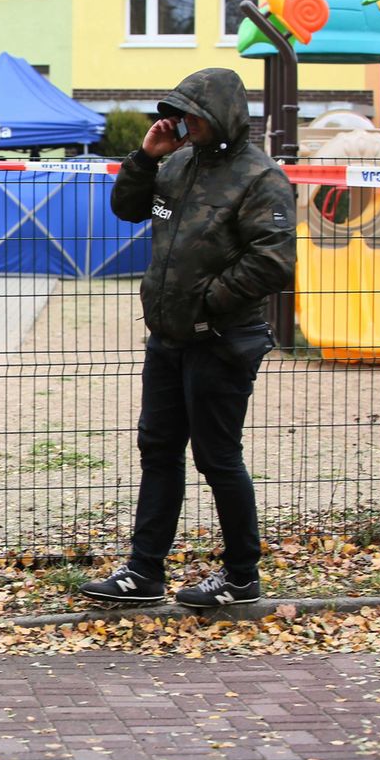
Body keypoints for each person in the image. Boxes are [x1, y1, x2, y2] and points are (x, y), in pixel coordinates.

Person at [78, 67, 296, 609]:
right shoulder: (176, 166)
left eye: (193, 114)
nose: (183, 123)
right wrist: (146, 158)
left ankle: (242, 575)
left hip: (223, 339)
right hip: (169, 338)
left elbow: (273, 261)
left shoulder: (260, 178)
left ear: (221, 115)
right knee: (158, 450)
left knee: (217, 457)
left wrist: (207, 305)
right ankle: (144, 572)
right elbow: (132, 209)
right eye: (179, 114)